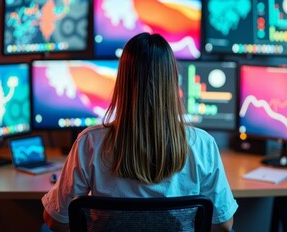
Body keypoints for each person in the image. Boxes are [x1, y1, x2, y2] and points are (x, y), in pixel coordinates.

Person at [42, 32, 238, 232]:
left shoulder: (89, 143)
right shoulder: (202, 144)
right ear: (172, 82)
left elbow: (55, 221)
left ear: (122, 82)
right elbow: (223, 225)